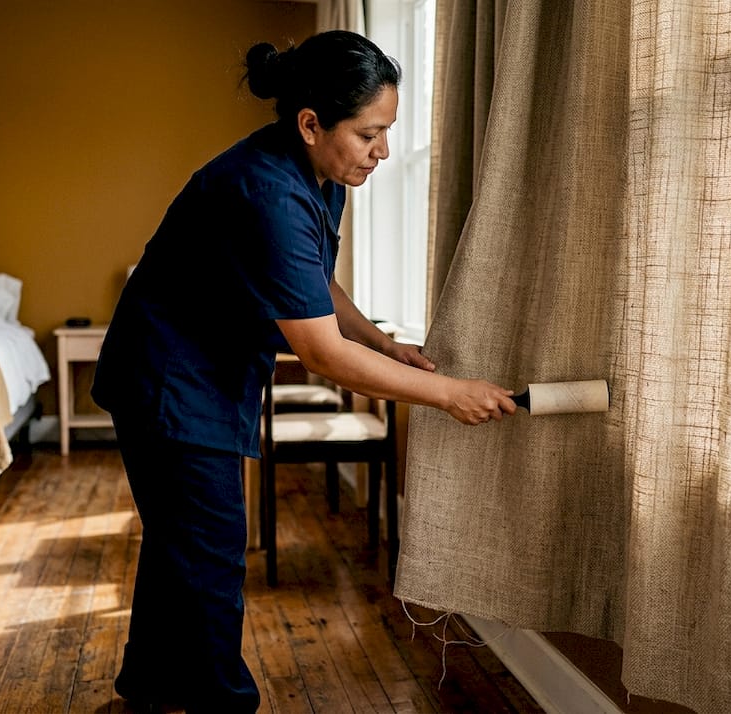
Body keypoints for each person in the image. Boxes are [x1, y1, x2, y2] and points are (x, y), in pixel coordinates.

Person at [91, 29, 516, 714]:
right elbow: (320, 353)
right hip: (166, 380)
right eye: (368, 134)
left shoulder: (322, 175)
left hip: (206, 374)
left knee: (183, 547)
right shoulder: (264, 190)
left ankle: (149, 688)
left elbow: (313, 284)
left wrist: (383, 344)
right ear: (311, 124)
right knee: (210, 553)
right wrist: (448, 394)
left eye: (388, 133)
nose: (382, 153)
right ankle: (223, 703)